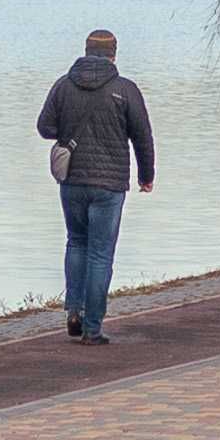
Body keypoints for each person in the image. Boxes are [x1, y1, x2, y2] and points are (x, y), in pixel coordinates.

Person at [37, 24, 155, 341]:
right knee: (101, 254)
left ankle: (73, 311)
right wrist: (146, 176)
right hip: (110, 184)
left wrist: (68, 130)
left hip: (72, 180)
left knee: (76, 242)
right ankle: (92, 328)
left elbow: (45, 128)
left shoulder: (63, 85)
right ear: (113, 55)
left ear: (86, 52)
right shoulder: (126, 89)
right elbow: (142, 137)